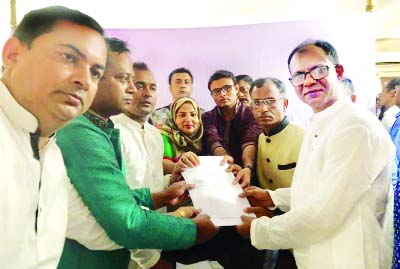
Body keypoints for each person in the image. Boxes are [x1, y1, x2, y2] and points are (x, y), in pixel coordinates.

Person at [56, 37, 218, 269]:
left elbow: (120, 195)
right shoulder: (82, 132)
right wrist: (192, 228)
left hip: (142, 241)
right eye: (125, 79)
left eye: (151, 87)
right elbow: (124, 221)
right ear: (93, 76)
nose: (134, 89)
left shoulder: (110, 130)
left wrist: (164, 192)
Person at [237, 39, 395, 268]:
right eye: (299, 75)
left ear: (338, 72)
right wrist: (273, 198)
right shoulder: (320, 121)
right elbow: (316, 188)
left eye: (318, 70)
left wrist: (258, 230)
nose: (309, 81)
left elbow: (325, 212)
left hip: (349, 255)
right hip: (321, 251)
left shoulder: (354, 127)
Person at [0, 6, 107, 268]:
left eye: (95, 73)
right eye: (68, 57)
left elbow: (87, 226)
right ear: (12, 54)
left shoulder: (53, 152)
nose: (84, 80)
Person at [249, 77, 304, 268]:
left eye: (271, 101)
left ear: (285, 103)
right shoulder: (260, 140)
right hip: (273, 234)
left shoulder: (304, 137)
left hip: (302, 235)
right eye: (257, 103)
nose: (263, 109)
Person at [202, 70, 262, 187]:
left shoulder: (251, 112)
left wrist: (248, 167)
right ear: (212, 95)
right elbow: (213, 140)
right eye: (216, 91)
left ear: (236, 88)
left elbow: (249, 141)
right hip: (220, 173)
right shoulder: (207, 117)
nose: (223, 94)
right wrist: (225, 160)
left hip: (250, 175)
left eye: (227, 88)